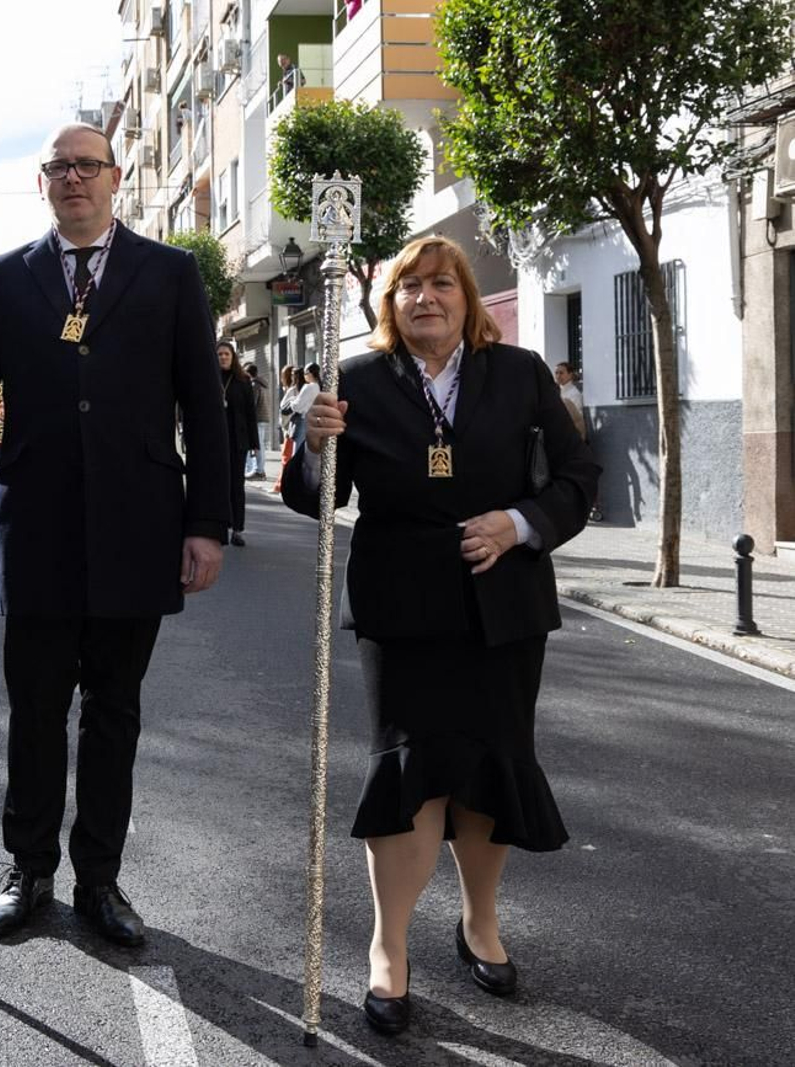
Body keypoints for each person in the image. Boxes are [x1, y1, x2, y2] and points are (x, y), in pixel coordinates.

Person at [285, 234, 598, 1036]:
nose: (426, 297)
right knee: (410, 774)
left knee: (491, 766)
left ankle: (480, 924)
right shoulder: (354, 381)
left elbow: (578, 479)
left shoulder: (521, 374)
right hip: (401, 607)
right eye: (409, 286)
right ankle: (388, 949)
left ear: (467, 297)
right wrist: (314, 446)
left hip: (504, 604)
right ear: (389, 304)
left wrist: (518, 523)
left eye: (442, 284)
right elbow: (316, 496)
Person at [0, 123, 228, 948]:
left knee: (114, 711)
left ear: (114, 177)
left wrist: (206, 524)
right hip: (37, 527)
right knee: (34, 708)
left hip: (138, 524)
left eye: (87, 165)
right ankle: (27, 868)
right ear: (43, 182)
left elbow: (203, 407)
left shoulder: (169, 272)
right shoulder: (4, 275)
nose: (73, 178)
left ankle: (99, 876)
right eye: (59, 167)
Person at [218, 341, 261, 545]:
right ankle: (218, 527)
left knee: (237, 485)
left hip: (238, 440)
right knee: (219, 484)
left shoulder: (243, 381)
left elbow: (250, 414)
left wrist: (254, 443)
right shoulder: (209, 378)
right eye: (219, 354)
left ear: (233, 357)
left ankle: (237, 529)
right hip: (216, 441)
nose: (223, 357)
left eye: (226, 354)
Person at [553, 361, 603, 522]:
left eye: (561, 372)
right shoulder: (560, 393)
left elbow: (572, 420)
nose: (558, 376)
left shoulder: (573, 394)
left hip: (573, 441)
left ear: (570, 374)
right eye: (556, 373)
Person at [271, 364, 299, 493]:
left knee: (286, 457)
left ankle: (281, 485)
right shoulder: (297, 389)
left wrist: (284, 426)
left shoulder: (292, 390)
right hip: (295, 427)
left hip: (290, 428)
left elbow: (284, 410)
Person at [243, 361, 268, 479]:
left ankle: (259, 470)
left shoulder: (254, 385)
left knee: (258, 445)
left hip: (257, 419)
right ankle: (258, 469)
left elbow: (251, 403)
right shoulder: (261, 384)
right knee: (259, 444)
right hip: (262, 418)